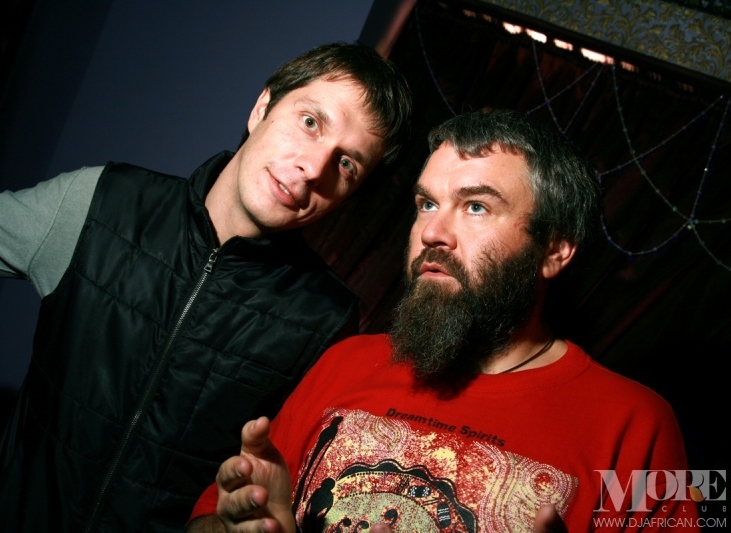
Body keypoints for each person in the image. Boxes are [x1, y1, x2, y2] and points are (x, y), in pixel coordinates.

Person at [0, 42, 412, 532]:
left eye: (346, 164)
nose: (313, 167)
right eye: (310, 122)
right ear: (262, 108)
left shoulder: (325, 322)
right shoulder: (104, 204)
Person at [187, 109, 700, 532]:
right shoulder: (346, 362)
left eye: (475, 207)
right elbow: (207, 521)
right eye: (427, 203)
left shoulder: (636, 424)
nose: (433, 231)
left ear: (553, 249)